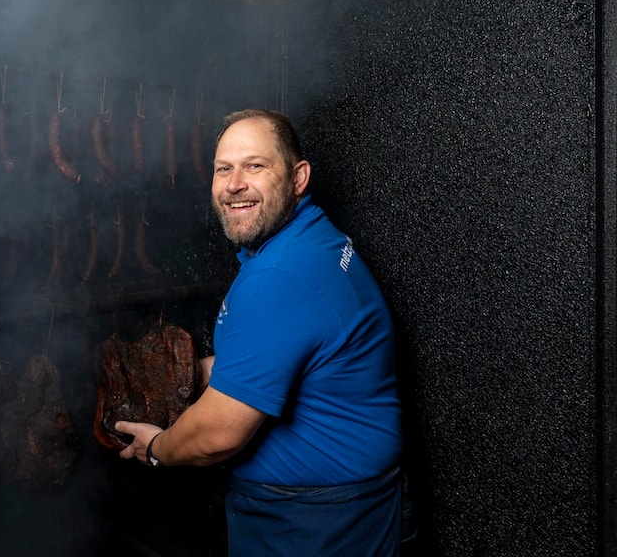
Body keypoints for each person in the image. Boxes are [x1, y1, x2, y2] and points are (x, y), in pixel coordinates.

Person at [116, 108, 403, 556]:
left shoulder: (280, 277)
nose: (234, 184)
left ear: (298, 177)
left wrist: (156, 448)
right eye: (223, 169)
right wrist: (183, 373)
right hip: (348, 504)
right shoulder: (316, 241)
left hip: (317, 524)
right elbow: (284, 359)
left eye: (255, 165)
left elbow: (217, 435)